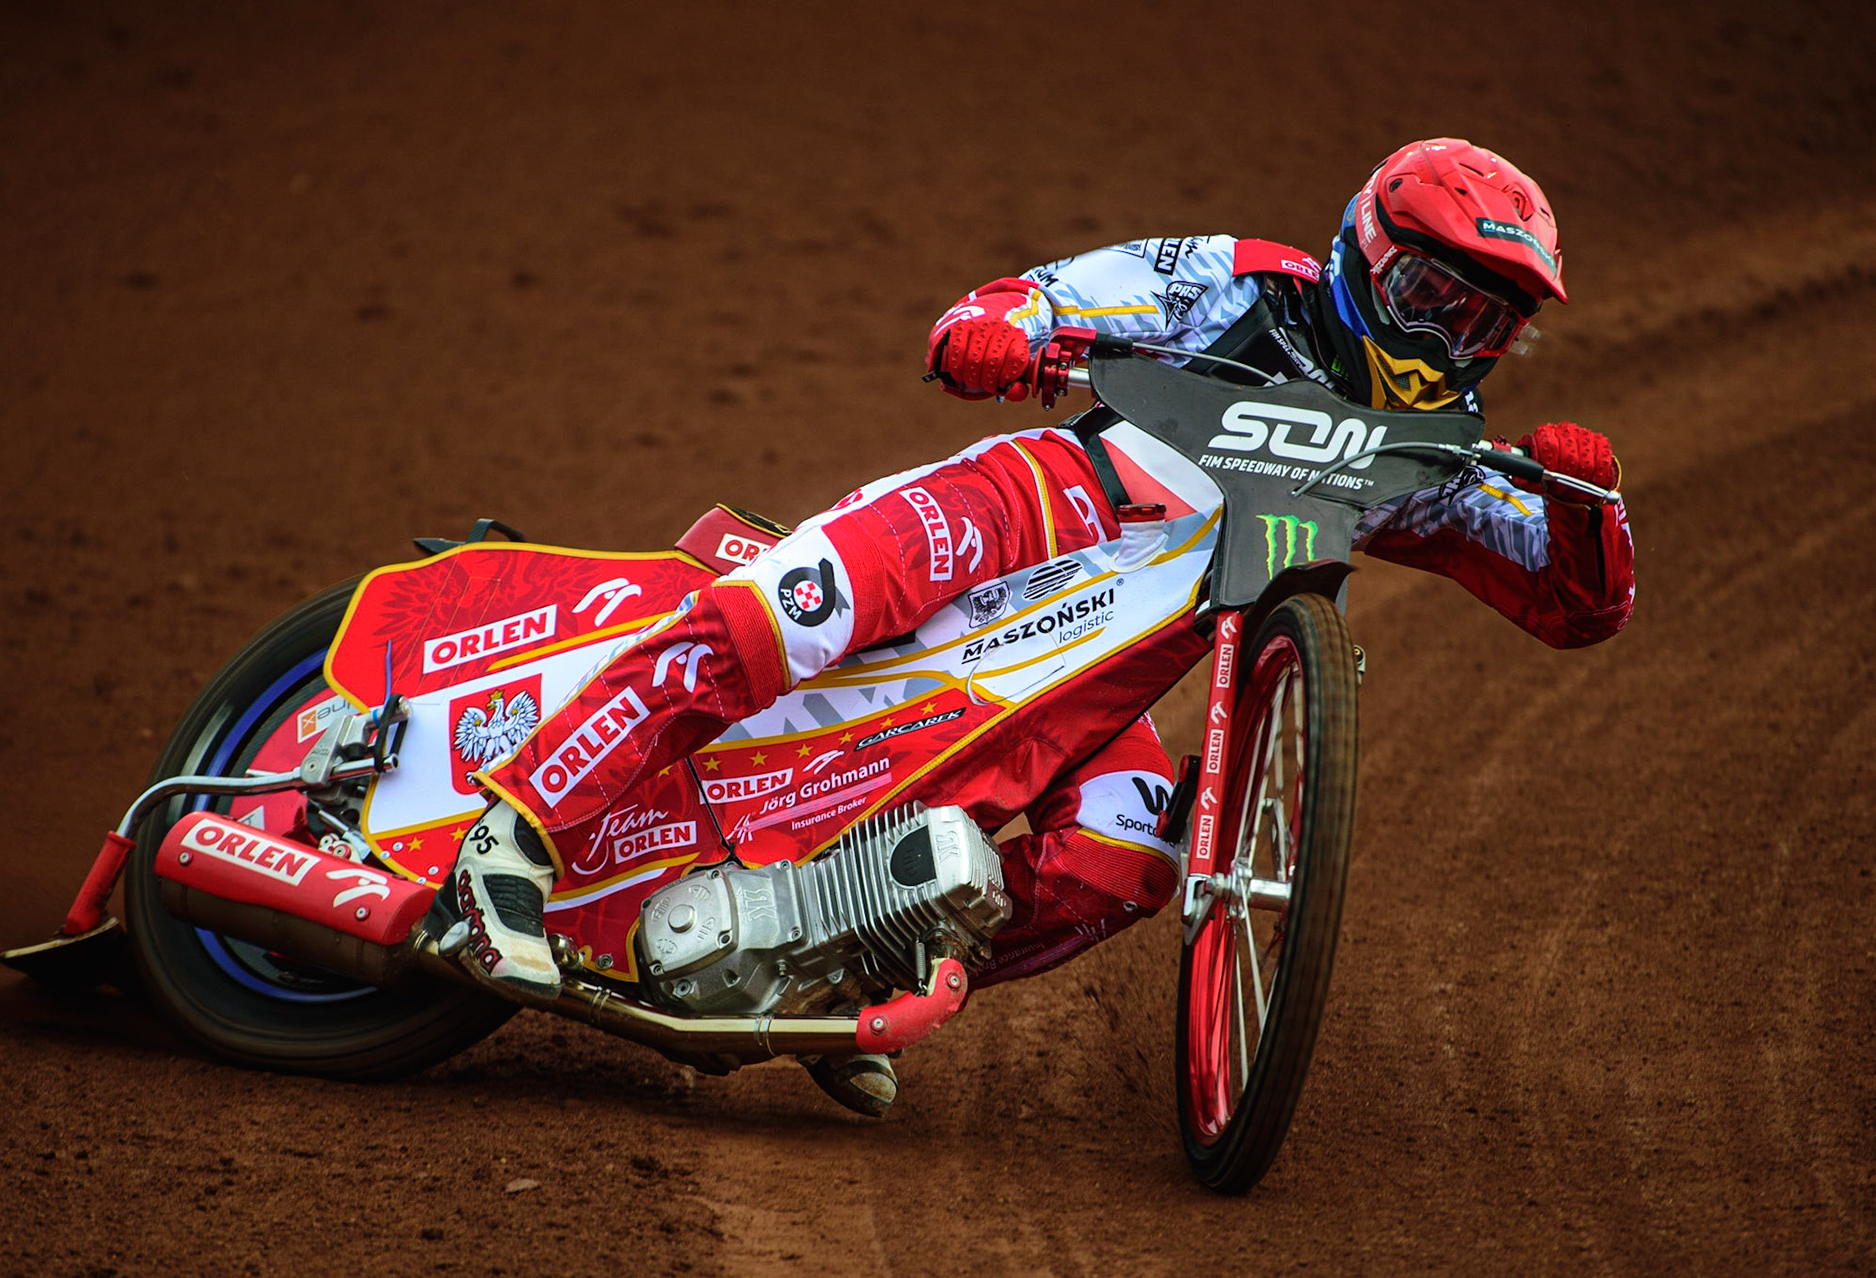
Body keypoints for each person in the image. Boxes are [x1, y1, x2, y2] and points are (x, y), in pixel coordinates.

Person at [440, 137, 1636, 1115]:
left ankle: (840, 969)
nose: (1444, 342)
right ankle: (511, 835)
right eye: (1430, 298)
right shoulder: (1247, 280)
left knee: (1128, 856)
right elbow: (1050, 295)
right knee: (801, 610)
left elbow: (1575, 605)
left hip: (1097, 686)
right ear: (1368, 253)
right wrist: (1006, 325)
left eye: (1481, 327)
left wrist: (1592, 513)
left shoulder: (1431, 459)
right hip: (1027, 514)